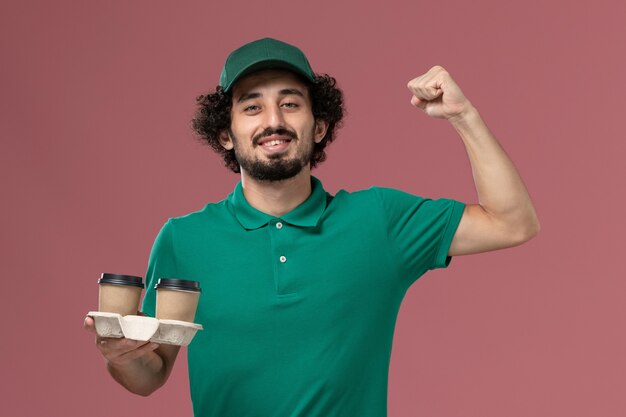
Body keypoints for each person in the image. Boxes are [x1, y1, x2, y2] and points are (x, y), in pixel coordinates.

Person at [84, 38, 540, 416]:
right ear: (225, 134)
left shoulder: (379, 221)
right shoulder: (183, 239)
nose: (274, 121)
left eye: (290, 103)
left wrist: (464, 117)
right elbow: (151, 375)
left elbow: (513, 222)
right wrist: (122, 357)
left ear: (319, 125)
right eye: (251, 107)